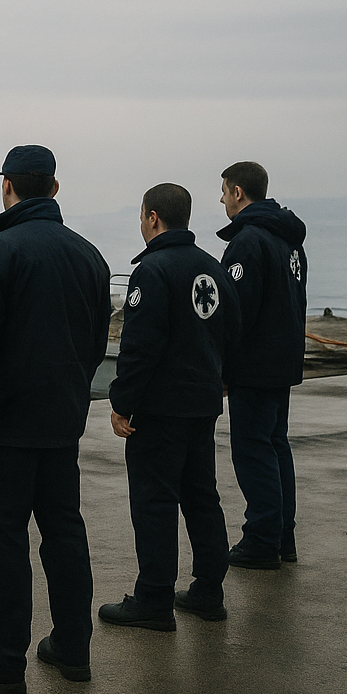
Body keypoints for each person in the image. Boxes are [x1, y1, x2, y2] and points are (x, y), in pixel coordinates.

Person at [0, 144, 111, 694]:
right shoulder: (90, 257)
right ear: (54, 189)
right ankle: (73, 647)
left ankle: (3, 661)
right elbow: (93, 343)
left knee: (3, 542)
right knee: (64, 534)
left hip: (3, 428)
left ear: (6, 187)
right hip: (61, 424)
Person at [99, 183, 240, 631]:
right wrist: (222, 379)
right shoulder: (212, 268)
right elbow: (233, 333)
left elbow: (140, 347)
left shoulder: (152, 271)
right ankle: (208, 591)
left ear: (153, 217)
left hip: (160, 411)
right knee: (202, 497)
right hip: (202, 405)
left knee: (155, 502)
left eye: (142, 216)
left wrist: (122, 402)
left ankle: (154, 599)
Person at [217, 161, 307, 570]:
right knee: (275, 445)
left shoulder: (248, 241)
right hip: (283, 361)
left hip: (253, 366)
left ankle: (261, 539)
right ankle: (282, 535)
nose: (221, 199)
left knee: (253, 450)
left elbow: (235, 311)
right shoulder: (290, 242)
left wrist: (221, 365)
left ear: (238, 192)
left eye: (223, 192)